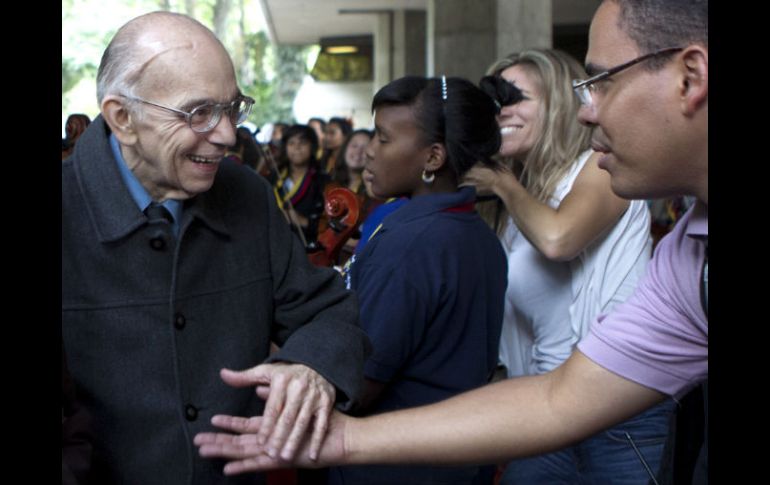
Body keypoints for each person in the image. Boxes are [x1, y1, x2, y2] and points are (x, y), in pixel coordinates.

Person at [194, 0, 708, 481]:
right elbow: (559, 398)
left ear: (691, 77)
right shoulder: (687, 257)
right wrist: (346, 438)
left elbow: (557, 241)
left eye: (601, 82)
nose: (586, 112)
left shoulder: (437, 229)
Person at [61, 11, 370, 484]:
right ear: (122, 118)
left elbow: (324, 310)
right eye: (198, 112)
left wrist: (310, 365)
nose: (228, 135)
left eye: (232, 107)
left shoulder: (246, 192)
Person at [464, 48, 672, 484]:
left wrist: (501, 183)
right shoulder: (519, 198)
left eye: (515, 97)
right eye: (494, 101)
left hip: (618, 415)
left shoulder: (602, 168)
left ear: (558, 105)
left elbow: (559, 239)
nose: (502, 111)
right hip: (546, 409)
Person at [327, 75, 507, 485]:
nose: (369, 151)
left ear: (432, 158)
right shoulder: (478, 234)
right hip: (455, 462)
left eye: (384, 139)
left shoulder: (411, 244)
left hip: (393, 465)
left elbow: (359, 385)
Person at [269, 124, 330, 244]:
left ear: (312, 147)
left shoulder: (323, 181)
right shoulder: (273, 177)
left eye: (303, 143)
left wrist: (303, 221)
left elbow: (329, 226)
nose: (297, 147)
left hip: (306, 248)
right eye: (291, 143)